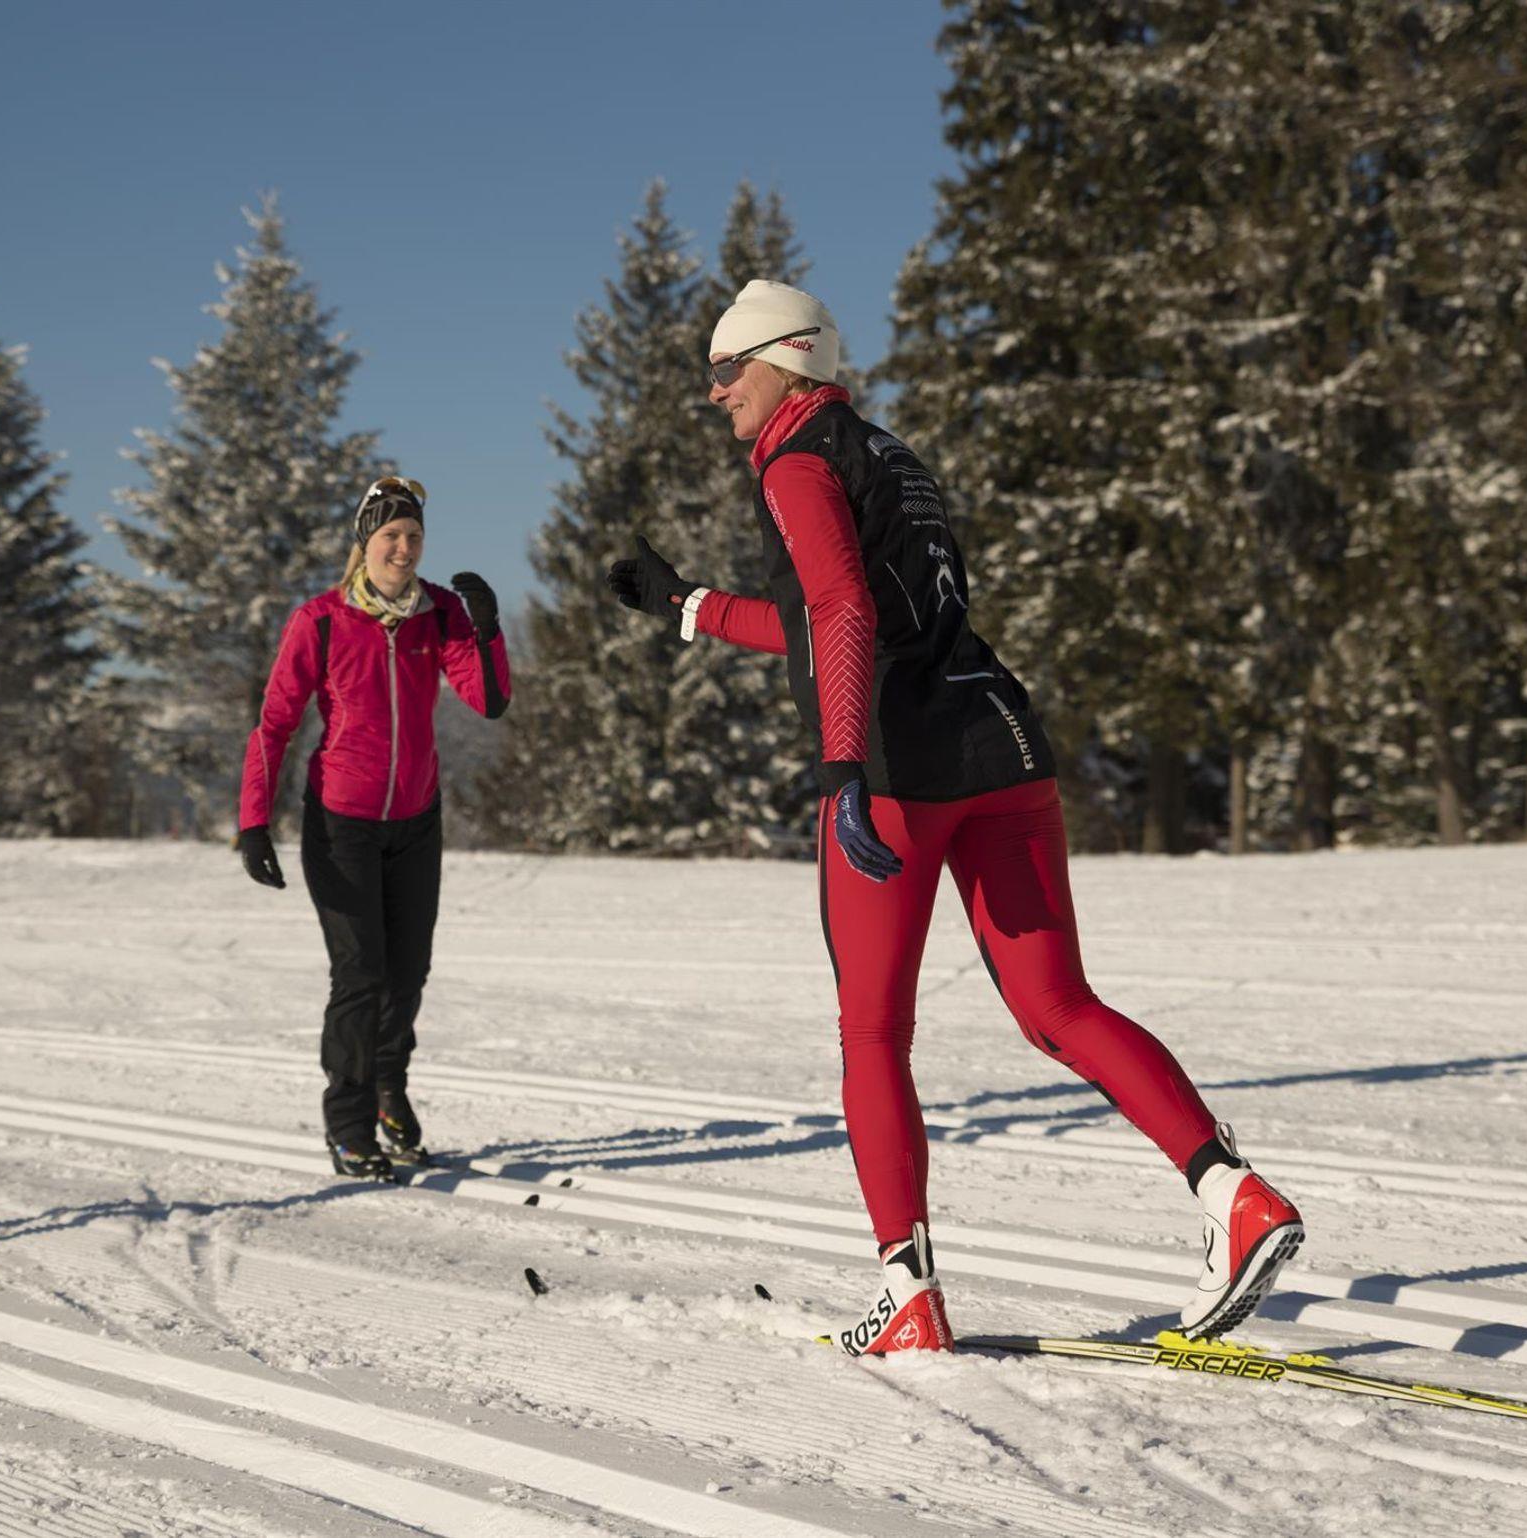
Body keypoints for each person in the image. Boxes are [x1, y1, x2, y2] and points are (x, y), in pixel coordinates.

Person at [606, 282, 1303, 1355]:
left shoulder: (794, 463)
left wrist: (842, 764)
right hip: (1000, 744)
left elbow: (840, 609)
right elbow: (827, 610)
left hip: (897, 773)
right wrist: (686, 605)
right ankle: (1232, 1193)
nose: (716, 394)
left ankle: (909, 1293)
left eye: (726, 370)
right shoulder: (885, 455)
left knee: (873, 1033)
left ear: (784, 362)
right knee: (1059, 1004)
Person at [236, 476, 511, 1181]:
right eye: (391, 535)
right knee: (360, 976)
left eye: (414, 536)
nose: (404, 548)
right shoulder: (322, 621)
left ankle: (390, 1090)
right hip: (342, 824)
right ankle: (349, 1121)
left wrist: (487, 630)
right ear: (365, 542)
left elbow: (488, 700)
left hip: (416, 820)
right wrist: (254, 823)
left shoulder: (438, 614)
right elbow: (275, 724)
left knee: (407, 973)